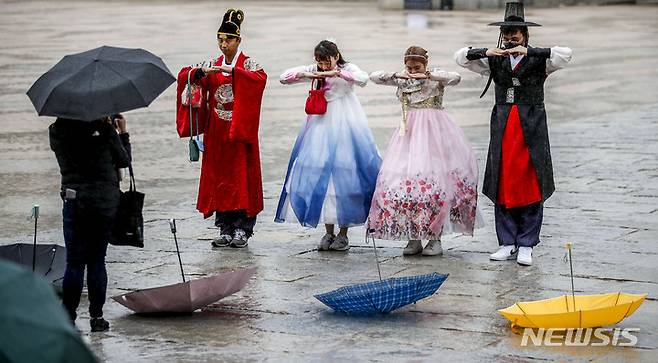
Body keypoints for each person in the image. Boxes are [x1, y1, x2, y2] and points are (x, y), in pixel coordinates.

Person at [454, 2, 572, 266]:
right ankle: (507, 242)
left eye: (515, 33)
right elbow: (460, 57)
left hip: (532, 125)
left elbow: (566, 54)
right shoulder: (494, 59)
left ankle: (527, 243)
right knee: (503, 180)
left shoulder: (540, 58)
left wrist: (530, 51)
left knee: (530, 182)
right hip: (504, 124)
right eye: (507, 33)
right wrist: (487, 50)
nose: (510, 37)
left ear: (525, 34)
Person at [368, 46, 481, 256]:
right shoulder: (403, 78)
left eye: (417, 67)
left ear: (425, 64)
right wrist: (397, 74)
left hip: (434, 135)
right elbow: (373, 77)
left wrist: (429, 75)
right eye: (409, 67)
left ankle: (434, 238)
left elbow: (455, 77)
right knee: (405, 183)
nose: (412, 70)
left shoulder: (434, 78)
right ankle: (413, 237)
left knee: (434, 183)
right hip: (408, 136)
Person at [275, 40, 382, 251]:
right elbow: (283, 78)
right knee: (320, 175)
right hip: (319, 125)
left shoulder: (346, 69)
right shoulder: (314, 70)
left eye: (327, 61)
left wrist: (338, 74)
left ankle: (343, 233)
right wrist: (308, 75)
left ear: (336, 56)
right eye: (320, 62)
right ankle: (328, 231)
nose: (323, 66)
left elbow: (363, 79)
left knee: (345, 174)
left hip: (345, 123)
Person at [176, 8, 267, 248]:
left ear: (239, 40)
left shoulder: (249, 64)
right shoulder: (212, 64)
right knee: (220, 178)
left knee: (242, 177)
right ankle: (225, 227)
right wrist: (199, 73)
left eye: (228, 39)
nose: (223, 44)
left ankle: (243, 229)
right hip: (216, 130)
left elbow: (259, 80)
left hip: (239, 131)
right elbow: (186, 76)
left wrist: (235, 72)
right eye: (220, 39)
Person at [50, 113, 131, 332]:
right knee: (97, 260)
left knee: (74, 262)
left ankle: (68, 318)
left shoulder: (57, 131)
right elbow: (124, 160)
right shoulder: (105, 131)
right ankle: (97, 318)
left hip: (74, 199)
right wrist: (121, 131)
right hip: (104, 201)